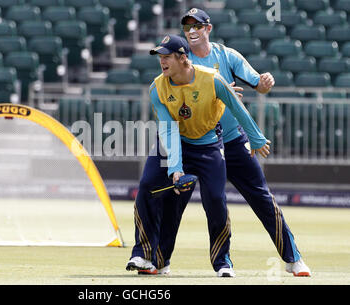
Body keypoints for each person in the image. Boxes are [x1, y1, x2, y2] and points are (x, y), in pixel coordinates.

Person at [152, 8, 311, 277]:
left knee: (261, 197)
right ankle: (160, 261)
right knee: (175, 201)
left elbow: (256, 84)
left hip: (233, 140)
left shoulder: (227, 56)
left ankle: (293, 259)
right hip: (194, 141)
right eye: (187, 26)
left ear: (208, 29)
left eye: (197, 26)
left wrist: (264, 83)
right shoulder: (180, 59)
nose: (191, 31)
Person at [126, 34, 271, 277]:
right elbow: (169, 129)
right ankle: (142, 253)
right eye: (160, 57)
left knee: (215, 199)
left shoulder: (212, 79)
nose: (162, 62)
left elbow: (238, 108)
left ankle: (222, 262)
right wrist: (176, 168)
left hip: (207, 144)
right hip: (174, 142)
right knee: (147, 186)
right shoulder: (157, 87)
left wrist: (256, 138)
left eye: (167, 57)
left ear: (182, 58)